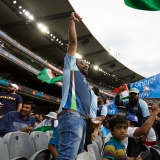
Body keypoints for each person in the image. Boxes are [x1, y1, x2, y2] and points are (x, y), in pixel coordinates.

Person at [56, 12, 92, 160]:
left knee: (76, 158)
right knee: (67, 158)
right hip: (72, 116)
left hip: (81, 119)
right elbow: (73, 43)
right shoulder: (71, 68)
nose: (86, 64)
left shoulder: (85, 83)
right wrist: (72, 22)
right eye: (82, 62)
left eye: (87, 63)